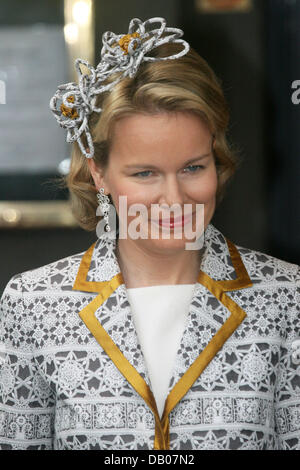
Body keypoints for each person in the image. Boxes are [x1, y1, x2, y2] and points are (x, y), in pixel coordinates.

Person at [0, 17, 299, 451]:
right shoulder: (33, 306)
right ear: (98, 173)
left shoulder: (286, 296)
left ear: (217, 160)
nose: (174, 197)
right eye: (145, 173)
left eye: (193, 167)